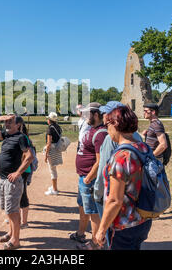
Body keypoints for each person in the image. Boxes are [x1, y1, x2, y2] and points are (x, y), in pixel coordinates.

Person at [94, 105, 152, 250]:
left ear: (115, 124)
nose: (107, 130)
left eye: (107, 125)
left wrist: (101, 229)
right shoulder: (143, 148)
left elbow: (115, 200)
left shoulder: (121, 158)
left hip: (124, 224)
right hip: (143, 218)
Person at [0, 114, 34, 250]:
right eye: (5, 122)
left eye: (10, 122)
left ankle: (15, 240)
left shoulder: (21, 138)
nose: (6, 124)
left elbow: (30, 156)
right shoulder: (6, 135)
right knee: (9, 211)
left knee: (13, 211)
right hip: (3, 179)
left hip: (12, 181)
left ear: (18, 125)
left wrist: (18, 172)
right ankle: (11, 233)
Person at [70, 102, 108, 250]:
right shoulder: (93, 129)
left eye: (87, 114)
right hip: (84, 177)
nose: (84, 116)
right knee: (84, 206)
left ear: (96, 115)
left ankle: (95, 243)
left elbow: (100, 161)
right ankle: (81, 233)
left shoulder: (100, 133)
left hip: (89, 179)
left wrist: (88, 178)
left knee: (93, 212)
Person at [43, 112, 63, 196]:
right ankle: (54, 186)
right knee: (53, 169)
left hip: (52, 150)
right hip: (57, 149)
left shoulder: (50, 128)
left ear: (50, 120)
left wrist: (46, 155)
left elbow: (49, 143)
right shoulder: (58, 127)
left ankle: (54, 190)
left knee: (52, 170)